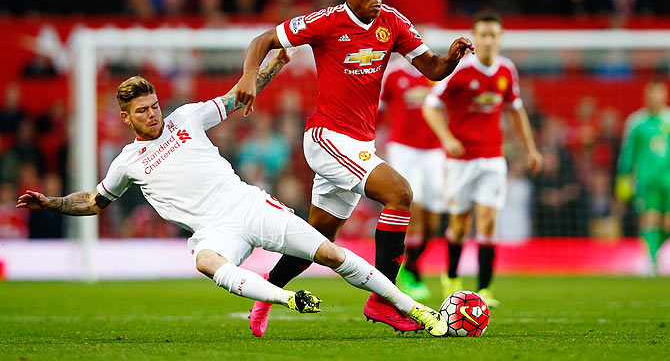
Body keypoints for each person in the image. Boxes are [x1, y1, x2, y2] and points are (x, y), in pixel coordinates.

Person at [15, 58, 448, 337]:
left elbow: (240, 95)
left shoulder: (186, 118)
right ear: (126, 117)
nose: (153, 114)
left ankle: (418, 311)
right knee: (205, 261)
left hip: (248, 204)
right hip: (214, 230)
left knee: (331, 254)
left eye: (154, 105)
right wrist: (50, 202)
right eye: (143, 111)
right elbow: (95, 202)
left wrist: (274, 64)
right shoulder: (127, 162)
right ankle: (284, 299)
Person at [235, 0, 474, 335]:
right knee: (400, 194)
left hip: (358, 143)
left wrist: (452, 59)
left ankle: (265, 294)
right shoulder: (326, 21)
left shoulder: (392, 23)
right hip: (327, 137)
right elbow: (262, 40)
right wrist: (249, 77)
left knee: (319, 237)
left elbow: (431, 69)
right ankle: (384, 299)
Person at [422, 10, 542, 308]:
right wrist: (447, 139)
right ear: (475, 38)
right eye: (483, 35)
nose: (488, 41)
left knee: (488, 222)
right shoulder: (461, 70)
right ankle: (451, 278)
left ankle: (485, 289)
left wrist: (531, 149)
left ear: (500, 39)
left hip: (492, 158)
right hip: (461, 160)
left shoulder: (506, 71)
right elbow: (430, 106)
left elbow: (516, 110)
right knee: (460, 225)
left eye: (493, 35)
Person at [379, 57, 446, 301]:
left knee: (434, 221)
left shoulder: (435, 72)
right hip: (403, 149)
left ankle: (412, 264)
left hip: (434, 150)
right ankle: (411, 273)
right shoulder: (394, 75)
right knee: (412, 206)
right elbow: (380, 107)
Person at [616, 80, 670, 275]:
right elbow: (628, 154)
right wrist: (623, 182)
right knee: (649, 220)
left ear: (664, 96)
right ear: (646, 96)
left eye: (659, 93)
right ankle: (652, 261)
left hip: (668, 180)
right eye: (652, 94)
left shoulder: (668, 120)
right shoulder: (636, 122)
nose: (655, 98)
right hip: (646, 180)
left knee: (666, 222)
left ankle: (659, 254)